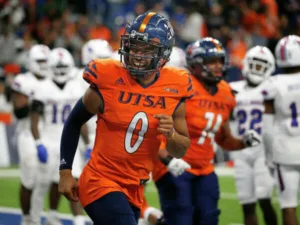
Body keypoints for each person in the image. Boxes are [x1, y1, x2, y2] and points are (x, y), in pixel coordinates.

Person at [58, 12, 193, 225]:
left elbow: (181, 149)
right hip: (99, 180)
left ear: (163, 53)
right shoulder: (108, 76)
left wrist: (171, 135)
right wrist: (65, 171)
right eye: (134, 47)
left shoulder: (176, 86)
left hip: (135, 186)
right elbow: (74, 121)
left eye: (146, 49)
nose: (137, 55)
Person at [152, 37, 261, 225]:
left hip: (204, 169)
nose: (218, 66)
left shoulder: (226, 93)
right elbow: (153, 130)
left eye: (220, 61)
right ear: (195, 64)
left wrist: (243, 142)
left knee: (208, 218)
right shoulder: (180, 85)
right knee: (180, 219)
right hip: (174, 165)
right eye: (212, 62)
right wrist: (167, 159)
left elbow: (224, 139)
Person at [30, 48, 91, 225]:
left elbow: (80, 120)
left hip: (70, 141)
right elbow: (33, 120)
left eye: (64, 66)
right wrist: (38, 143)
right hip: (48, 140)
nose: (61, 69)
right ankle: (33, 220)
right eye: (58, 66)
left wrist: (87, 144)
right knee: (43, 184)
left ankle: (78, 218)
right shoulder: (42, 87)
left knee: (75, 179)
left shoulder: (75, 87)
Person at [229, 46, 277, 225]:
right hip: (241, 152)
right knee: (246, 203)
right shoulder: (234, 88)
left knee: (264, 198)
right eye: (254, 65)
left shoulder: (272, 88)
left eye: (261, 66)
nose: (257, 70)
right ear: (246, 64)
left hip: (263, 151)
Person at [260, 35, 300, 225]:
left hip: (285, 151)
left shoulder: (273, 84)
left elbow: (267, 127)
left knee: (288, 204)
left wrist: (268, 155)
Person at [10, 44, 50, 225]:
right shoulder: (23, 81)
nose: (44, 64)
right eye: (40, 61)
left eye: (46, 60)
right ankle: (26, 219)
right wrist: (36, 105)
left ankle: (40, 217)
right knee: (29, 180)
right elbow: (18, 112)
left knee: (48, 180)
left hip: (49, 133)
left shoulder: (53, 79)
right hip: (28, 133)